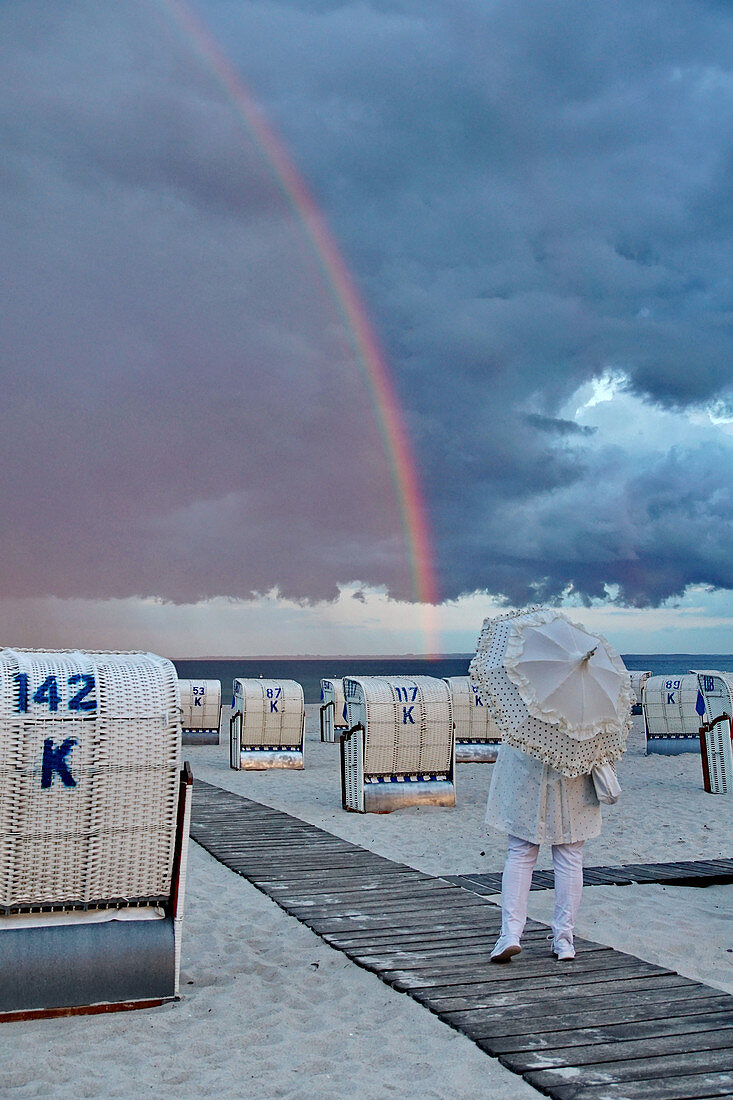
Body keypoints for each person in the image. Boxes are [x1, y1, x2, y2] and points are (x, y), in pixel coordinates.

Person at [486, 742, 601, 963]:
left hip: (528, 753)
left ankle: (510, 933)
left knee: (521, 852)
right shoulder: (590, 708)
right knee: (570, 855)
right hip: (576, 755)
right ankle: (564, 940)